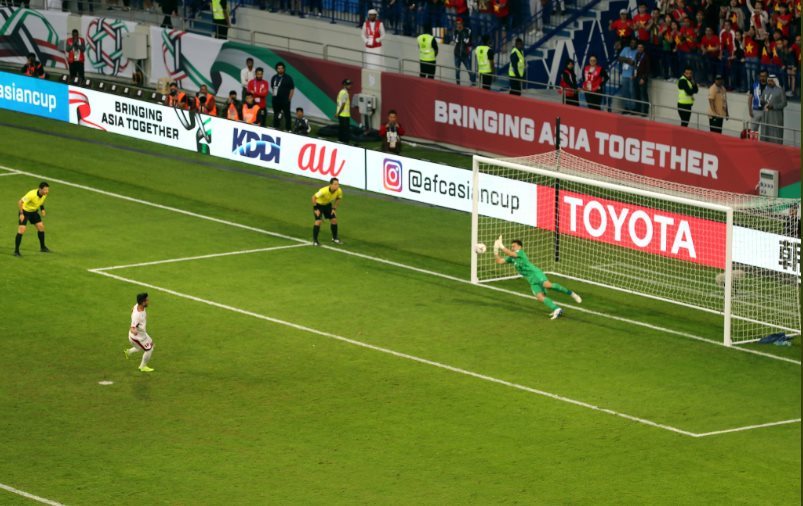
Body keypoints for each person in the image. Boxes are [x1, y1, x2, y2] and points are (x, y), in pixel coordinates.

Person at [494, 239, 582, 319]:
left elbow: (509, 253)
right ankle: (557, 309)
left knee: (548, 285)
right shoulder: (511, 258)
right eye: (512, 246)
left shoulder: (520, 253)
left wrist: (501, 245)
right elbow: (499, 261)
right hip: (530, 279)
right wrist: (495, 250)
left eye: (514, 246)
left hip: (536, 273)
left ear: (519, 247)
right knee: (539, 297)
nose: (512, 247)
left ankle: (572, 294)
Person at [14, 181, 50, 256]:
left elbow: (41, 201)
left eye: (47, 190)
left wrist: (42, 209)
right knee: (21, 230)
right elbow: (20, 202)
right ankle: (16, 251)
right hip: (25, 212)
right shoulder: (31, 194)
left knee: (41, 227)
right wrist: (21, 214)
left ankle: (42, 247)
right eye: (45, 190)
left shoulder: (44, 194)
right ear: (40, 189)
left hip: (33, 212)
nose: (47, 191)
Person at [124, 293, 155, 373]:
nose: (148, 301)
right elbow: (132, 328)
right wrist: (135, 331)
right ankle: (142, 367)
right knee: (149, 349)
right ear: (142, 302)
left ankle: (128, 352)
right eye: (147, 300)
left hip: (142, 334)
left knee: (150, 345)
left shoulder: (137, 305)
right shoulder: (137, 316)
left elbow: (132, 309)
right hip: (137, 337)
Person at [312, 178, 343, 246]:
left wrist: (334, 209)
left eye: (338, 184)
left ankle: (334, 238)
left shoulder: (339, 191)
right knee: (318, 221)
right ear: (330, 185)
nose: (337, 186)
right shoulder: (323, 191)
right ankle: (315, 241)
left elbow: (338, 198)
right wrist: (316, 209)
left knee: (334, 220)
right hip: (319, 205)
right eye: (335, 184)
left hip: (328, 205)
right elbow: (313, 197)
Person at [760, 74, 786, 143]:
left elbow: (784, 103)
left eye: (771, 81)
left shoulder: (780, 90)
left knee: (776, 134)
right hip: (766, 116)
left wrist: (773, 106)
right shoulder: (765, 90)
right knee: (765, 132)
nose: (769, 82)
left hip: (776, 117)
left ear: (775, 81)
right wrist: (762, 102)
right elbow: (761, 99)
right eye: (768, 81)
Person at [270, 62, 295, 131]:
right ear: (276, 69)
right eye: (279, 68)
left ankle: (288, 129)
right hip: (276, 100)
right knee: (276, 114)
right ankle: (276, 127)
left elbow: (292, 89)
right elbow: (273, 87)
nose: (280, 70)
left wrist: (289, 99)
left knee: (287, 115)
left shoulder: (288, 78)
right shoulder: (274, 77)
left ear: (284, 69)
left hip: (285, 100)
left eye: (281, 68)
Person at [617, 38, 638, 112]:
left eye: (634, 43)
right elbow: (619, 58)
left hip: (632, 75)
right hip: (624, 74)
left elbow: (636, 63)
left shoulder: (637, 51)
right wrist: (628, 60)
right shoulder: (626, 49)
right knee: (625, 91)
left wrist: (631, 62)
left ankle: (633, 108)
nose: (632, 44)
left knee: (632, 92)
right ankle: (626, 107)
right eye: (631, 42)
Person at [452, 17, 474, 85]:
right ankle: (458, 84)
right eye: (457, 24)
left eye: (460, 24)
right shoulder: (455, 31)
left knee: (469, 70)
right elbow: (456, 41)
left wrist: (463, 34)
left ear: (462, 24)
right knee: (457, 71)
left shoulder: (467, 30)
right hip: (457, 54)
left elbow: (467, 41)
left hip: (465, 54)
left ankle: (473, 82)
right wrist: (458, 33)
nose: (459, 25)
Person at [634, 42, 650, 116]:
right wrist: (634, 74)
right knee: (637, 94)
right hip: (637, 76)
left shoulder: (646, 56)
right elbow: (636, 66)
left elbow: (648, 69)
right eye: (638, 47)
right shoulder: (637, 55)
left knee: (643, 94)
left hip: (642, 77)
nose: (639, 48)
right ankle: (638, 109)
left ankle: (645, 111)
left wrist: (643, 78)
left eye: (641, 47)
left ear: (643, 48)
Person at [336, 79, 353, 144]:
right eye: (348, 84)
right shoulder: (345, 93)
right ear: (344, 85)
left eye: (350, 84)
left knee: (341, 129)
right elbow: (343, 104)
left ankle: (340, 141)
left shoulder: (341, 92)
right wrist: (338, 113)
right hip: (344, 115)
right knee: (345, 131)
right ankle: (344, 142)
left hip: (342, 115)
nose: (350, 86)